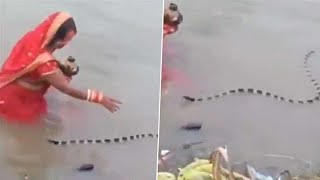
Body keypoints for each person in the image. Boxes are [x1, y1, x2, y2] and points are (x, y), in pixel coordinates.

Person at [0, 11, 122, 124]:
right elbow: (66, 89)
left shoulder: (33, 37)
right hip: (18, 102)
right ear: (55, 37)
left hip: (8, 86)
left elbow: (36, 65)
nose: (66, 44)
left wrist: (58, 68)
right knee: (57, 124)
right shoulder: (46, 64)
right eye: (66, 40)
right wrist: (98, 98)